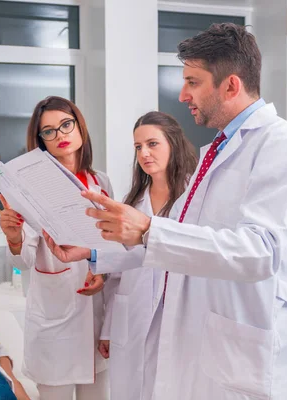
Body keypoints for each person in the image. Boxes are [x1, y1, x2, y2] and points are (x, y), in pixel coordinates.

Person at [43, 23, 287, 400]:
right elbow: (173, 246)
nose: (182, 93)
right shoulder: (214, 152)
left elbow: (263, 251)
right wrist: (92, 253)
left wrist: (147, 229)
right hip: (195, 335)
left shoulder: (283, 144)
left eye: (193, 81)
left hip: (242, 338)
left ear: (230, 85)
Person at [0, 96, 112, 400]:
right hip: (55, 325)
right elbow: (23, 261)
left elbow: (113, 244)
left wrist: (102, 273)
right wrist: (13, 236)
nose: (60, 135)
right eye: (48, 131)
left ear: (79, 127)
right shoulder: (28, 188)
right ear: (40, 141)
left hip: (96, 319)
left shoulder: (100, 181)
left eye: (65, 124)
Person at [99, 111, 197, 400]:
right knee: (129, 388)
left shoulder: (195, 197)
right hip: (133, 318)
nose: (144, 153)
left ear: (173, 144)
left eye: (152, 144)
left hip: (180, 315)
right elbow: (117, 276)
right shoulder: (131, 203)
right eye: (138, 147)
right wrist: (108, 328)